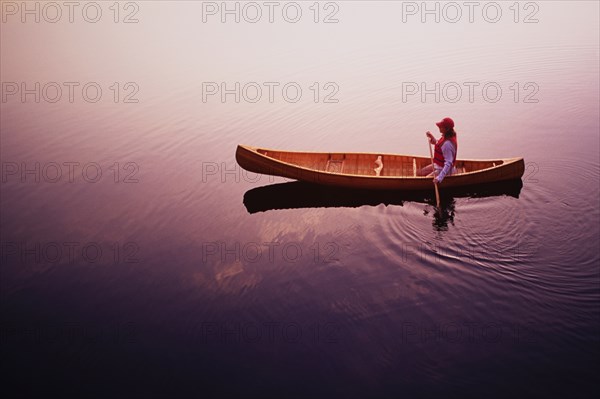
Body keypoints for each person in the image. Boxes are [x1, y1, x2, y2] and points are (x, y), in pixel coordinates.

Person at [419, 117, 458, 183]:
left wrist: (439, 178)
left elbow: (448, 163)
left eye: (441, 126)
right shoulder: (446, 136)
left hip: (444, 170)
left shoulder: (447, 144)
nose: (439, 127)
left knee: (424, 180)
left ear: (447, 129)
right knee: (420, 172)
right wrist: (433, 139)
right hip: (438, 165)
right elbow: (440, 145)